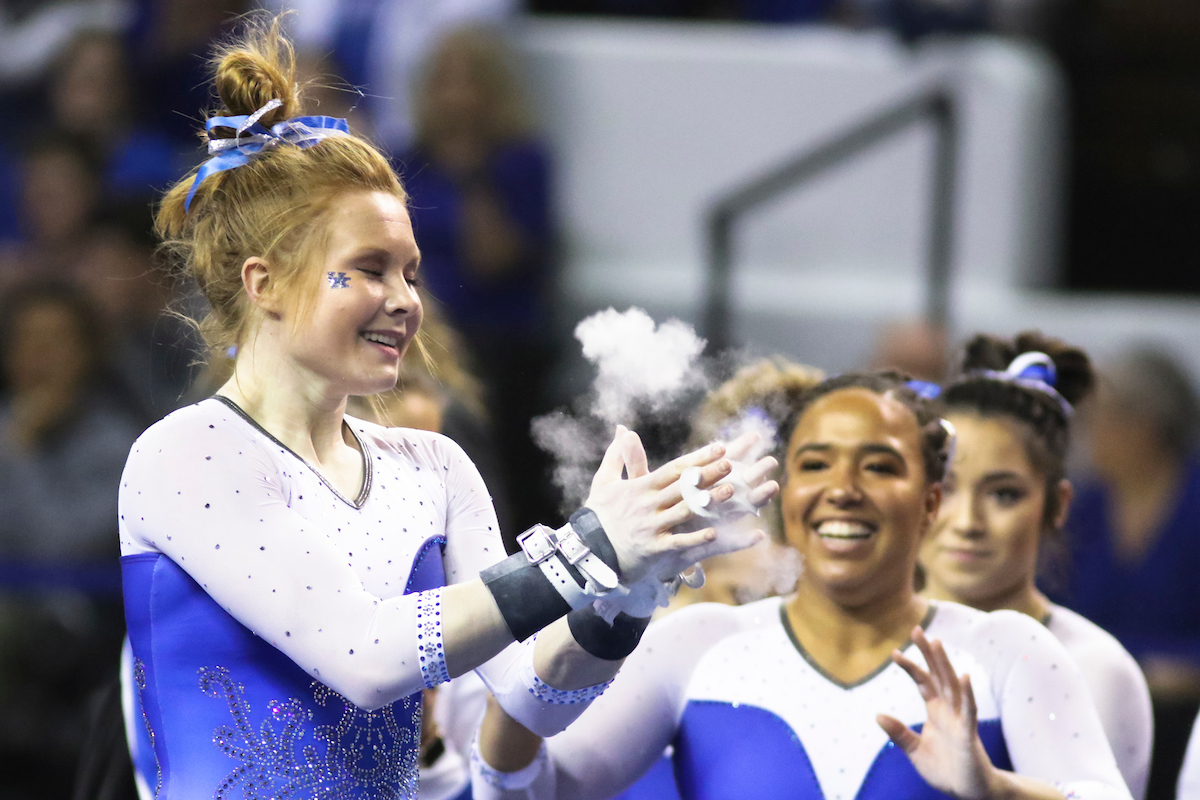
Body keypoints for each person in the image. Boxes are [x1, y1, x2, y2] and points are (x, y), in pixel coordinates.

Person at [118, 17, 778, 800]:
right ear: (263, 283)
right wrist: (588, 548)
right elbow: (364, 659)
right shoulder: (187, 453)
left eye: (413, 273)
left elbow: (533, 694)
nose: (404, 301)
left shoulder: (431, 467)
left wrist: (626, 588)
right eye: (368, 269)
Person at [470, 372, 1132, 800]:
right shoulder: (699, 644)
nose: (842, 490)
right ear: (786, 497)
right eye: (816, 464)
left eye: (879, 466)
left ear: (930, 503)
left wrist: (994, 789)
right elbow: (521, 790)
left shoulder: (1006, 650)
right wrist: (587, 602)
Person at [918, 332, 1153, 799]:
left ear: (1058, 505)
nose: (967, 522)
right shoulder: (862, 642)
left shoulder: (1093, 667)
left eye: (1004, 493)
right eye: (946, 486)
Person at [1055, 347, 1200, 698]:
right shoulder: (1082, 507)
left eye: (1106, 418)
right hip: (1090, 690)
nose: (1092, 434)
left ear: (1150, 426)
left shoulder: (1192, 503)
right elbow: (1054, 610)